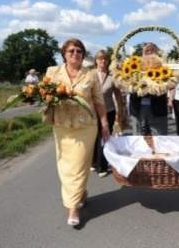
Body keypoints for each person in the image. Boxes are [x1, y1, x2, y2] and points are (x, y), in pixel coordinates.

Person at [45, 38, 109, 226]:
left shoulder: (90, 76)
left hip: (85, 127)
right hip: (61, 126)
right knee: (65, 166)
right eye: (71, 51)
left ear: (83, 54)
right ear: (64, 53)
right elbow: (44, 94)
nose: (75, 54)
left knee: (79, 165)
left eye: (79, 51)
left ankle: (73, 208)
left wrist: (105, 125)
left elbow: (99, 102)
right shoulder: (52, 72)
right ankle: (80, 193)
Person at [91, 49, 123, 178]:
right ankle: (94, 162)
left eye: (105, 59)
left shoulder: (112, 77)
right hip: (92, 112)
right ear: (96, 61)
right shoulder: (90, 74)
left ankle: (102, 166)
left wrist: (120, 111)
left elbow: (118, 94)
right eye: (100, 59)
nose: (103, 61)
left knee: (104, 138)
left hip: (108, 111)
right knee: (93, 137)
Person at [129, 43, 168, 135]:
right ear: (142, 54)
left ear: (157, 54)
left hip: (158, 109)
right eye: (147, 51)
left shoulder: (164, 67)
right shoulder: (133, 66)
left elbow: (168, 84)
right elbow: (128, 85)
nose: (149, 53)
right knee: (138, 140)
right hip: (137, 109)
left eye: (152, 51)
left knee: (159, 140)